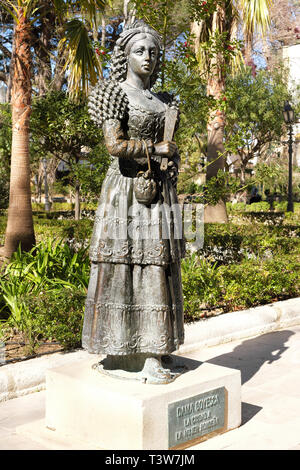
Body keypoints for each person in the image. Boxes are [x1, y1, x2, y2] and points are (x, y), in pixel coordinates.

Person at [82, 20, 185, 384]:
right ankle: (123, 354)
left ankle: (154, 349)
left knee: (157, 267)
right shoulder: (116, 93)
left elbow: (169, 147)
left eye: (154, 53)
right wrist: (154, 149)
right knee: (125, 267)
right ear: (125, 55)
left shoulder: (163, 100)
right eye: (140, 51)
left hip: (158, 191)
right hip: (125, 191)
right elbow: (114, 146)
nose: (148, 58)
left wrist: (171, 157)